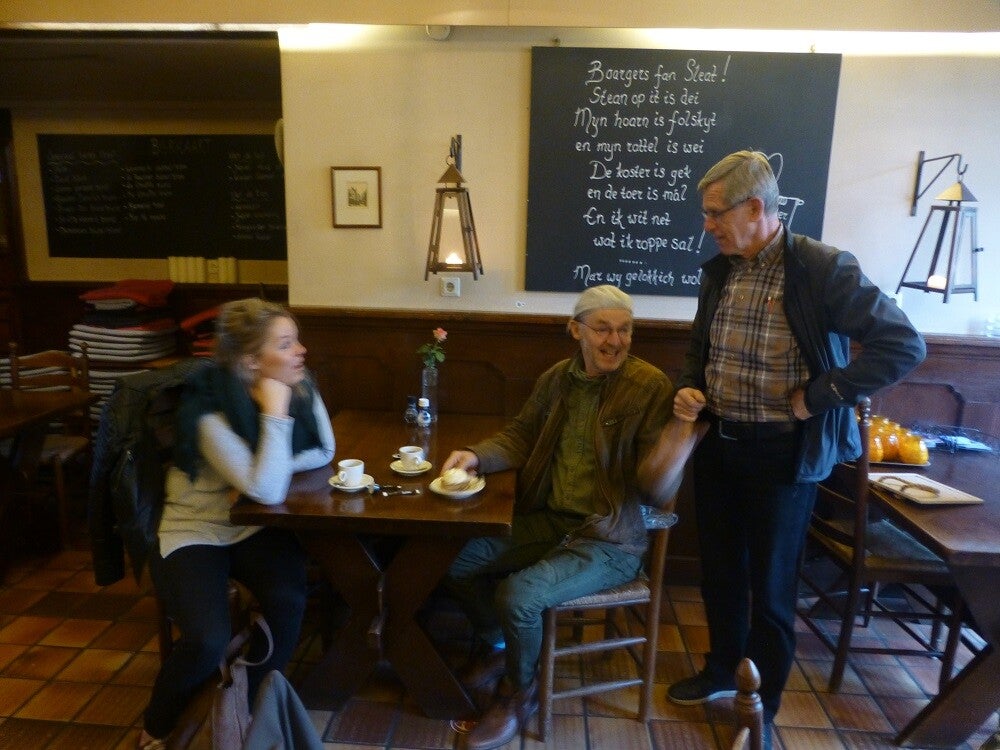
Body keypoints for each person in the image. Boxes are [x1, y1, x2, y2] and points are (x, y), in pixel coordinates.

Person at [664, 151, 926, 746]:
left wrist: (822, 394)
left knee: (773, 588)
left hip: (784, 456)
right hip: (718, 443)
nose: (707, 224)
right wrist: (689, 386)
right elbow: (701, 347)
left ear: (755, 207)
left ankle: (763, 703)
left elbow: (903, 345)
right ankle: (721, 670)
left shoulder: (822, 268)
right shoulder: (721, 270)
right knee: (720, 572)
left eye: (715, 212)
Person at [440, 285, 677, 750]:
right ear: (575, 330)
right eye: (603, 329)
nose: (615, 341)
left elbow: (656, 479)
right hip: (552, 520)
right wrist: (475, 455)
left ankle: (519, 693)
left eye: (625, 330)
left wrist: (678, 438)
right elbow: (521, 435)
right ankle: (500, 645)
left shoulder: (648, 386)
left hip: (609, 538)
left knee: (518, 596)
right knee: (453, 559)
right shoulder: (556, 379)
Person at [137, 298, 335, 750]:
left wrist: (258, 474)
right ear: (250, 361)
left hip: (251, 526)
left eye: (296, 340)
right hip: (195, 529)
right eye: (285, 344)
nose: (301, 351)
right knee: (207, 639)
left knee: (289, 601)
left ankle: (249, 704)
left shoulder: (299, 384)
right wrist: (274, 419)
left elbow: (324, 450)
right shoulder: (206, 410)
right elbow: (267, 490)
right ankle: (157, 723)